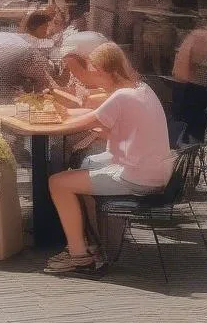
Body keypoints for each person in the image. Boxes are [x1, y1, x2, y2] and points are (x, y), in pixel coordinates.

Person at [45, 42, 175, 274]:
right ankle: (92, 242)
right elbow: (94, 116)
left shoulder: (121, 97)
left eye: (94, 69)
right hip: (156, 171)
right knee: (85, 164)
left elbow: (82, 123)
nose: (91, 75)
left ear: (107, 71)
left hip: (138, 177)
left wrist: (52, 120)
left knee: (57, 182)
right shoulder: (142, 89)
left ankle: (78, 256)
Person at [0, 10, 57, 105]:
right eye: (48, 28)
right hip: (12, 105)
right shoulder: (29, 48)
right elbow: (46, 74)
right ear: (43, 28)